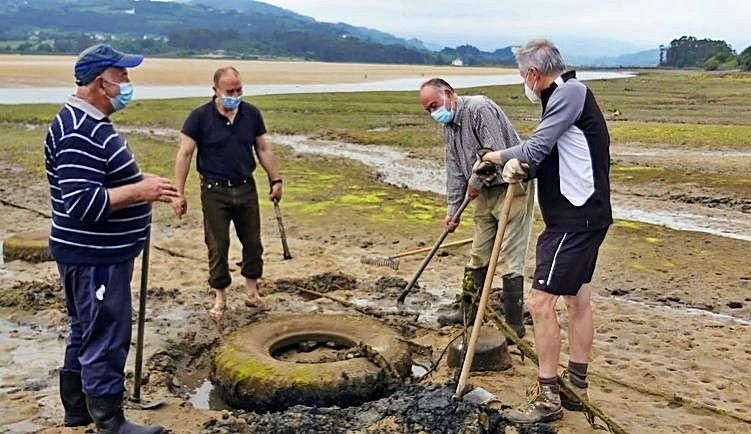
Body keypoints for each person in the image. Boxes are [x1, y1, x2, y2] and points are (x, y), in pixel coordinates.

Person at [479, 39, 612, 423]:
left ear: (533, 74)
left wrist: (498, 157)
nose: (524, 81)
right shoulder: (562, 98)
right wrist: (512, 162)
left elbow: (536, 148)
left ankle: (549, 397)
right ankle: (576, 387)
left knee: (539, 303)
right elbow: (547, 152)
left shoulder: (569, 93)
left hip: (575, 219)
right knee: (577, 299)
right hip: (587, 215)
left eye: (523, 75)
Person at [45, 43, 175, 433]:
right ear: (103, 82)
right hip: (93, 256)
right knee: (106, 332)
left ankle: (78, 409)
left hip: (94, 253)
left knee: (86, 327)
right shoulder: (78, 131)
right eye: (124, 76)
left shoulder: (89, 123)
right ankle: (110, 421)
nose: (129, 83)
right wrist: (140, 192)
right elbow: (83, 203)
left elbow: (102, 180)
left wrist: (141, 182)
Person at [418, 78, 535, 339]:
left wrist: (474, 182)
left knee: (510, 256)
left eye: (434, 105)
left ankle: (515, 325)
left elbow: (493, 152)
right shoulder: (449, 126)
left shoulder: (479, 108)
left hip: (511, 185)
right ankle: (468, 313)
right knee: (478, 254)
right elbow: (454, 169)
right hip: (483, 192)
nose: (433, 113)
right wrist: (453, 209)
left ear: (448, 94)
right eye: (427, 110)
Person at [172, 66, 282, 319]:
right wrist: (178, 193)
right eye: (230, 91)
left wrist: (275, 179)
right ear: (215, 91)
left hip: (246, 187)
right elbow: (185, 154)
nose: (235, 94)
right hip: (214, 191)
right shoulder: (199, 117)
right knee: (217, 244)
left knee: (253, 242)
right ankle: (220, 298)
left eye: (239, 90)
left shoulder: (251, 113)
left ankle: (253, 295)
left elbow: (263, 149)